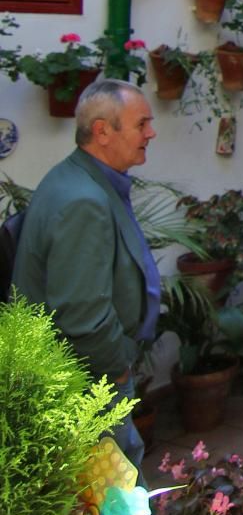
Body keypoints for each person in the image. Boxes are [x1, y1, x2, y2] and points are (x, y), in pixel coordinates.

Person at [13, 79, 160, 462]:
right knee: (111, 505)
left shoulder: (81, 178)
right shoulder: (84, 200)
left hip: (88, 377)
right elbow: (82, 315)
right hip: (91, 383)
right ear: (102, 132)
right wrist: (119, 372)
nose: (151, 133)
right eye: (141, 124)